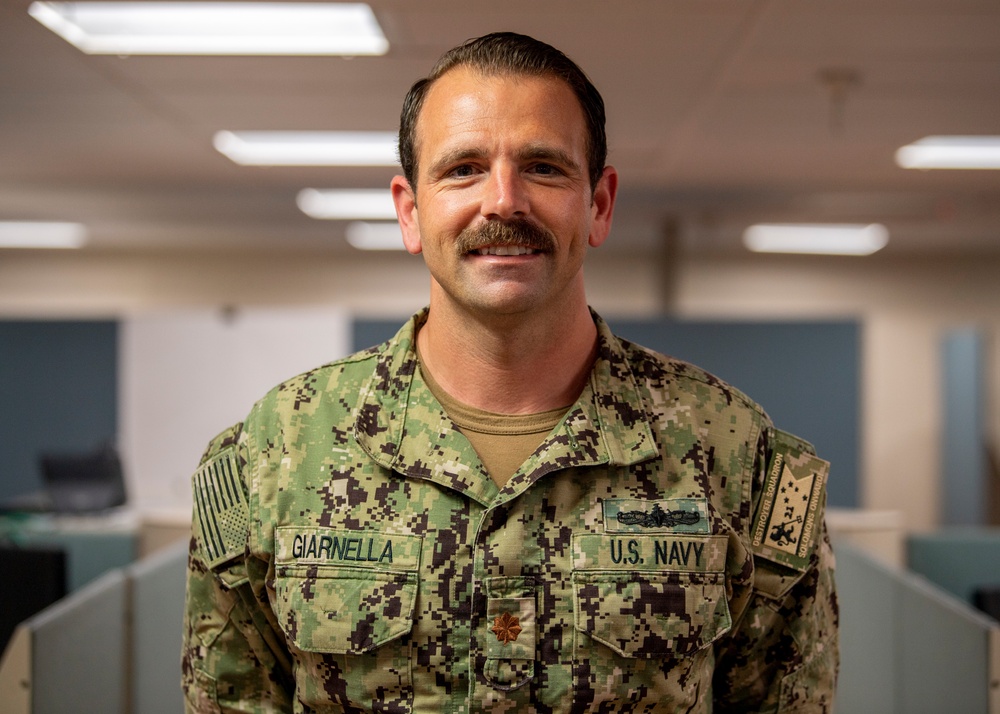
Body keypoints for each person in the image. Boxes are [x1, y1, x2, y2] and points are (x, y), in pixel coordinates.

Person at [182, 32, 838, 713]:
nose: (504, 201)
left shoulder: (736, 455)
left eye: (545, 168)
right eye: (463, 168)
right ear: (411, 211)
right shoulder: (277, 451)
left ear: (599, 205)